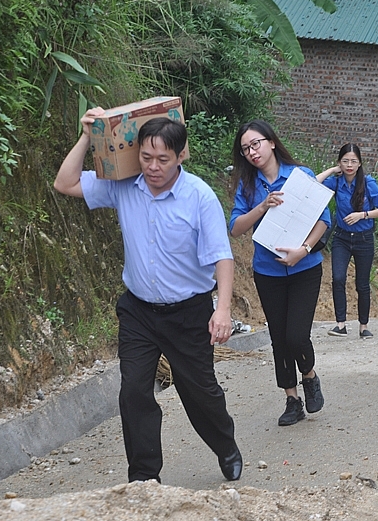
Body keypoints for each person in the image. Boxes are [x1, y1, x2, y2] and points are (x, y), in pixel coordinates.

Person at [54, 109, 242, 483]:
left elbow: (222, 257)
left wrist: (222, 309)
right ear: (136, 154)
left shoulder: (199, 197)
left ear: (181, 156)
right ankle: (144, 478)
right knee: (134, 391)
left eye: (162, 159)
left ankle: (225, 446)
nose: (153, 167)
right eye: (146, 157)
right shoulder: (123, 185)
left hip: (188, 314)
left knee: (199, 393)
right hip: (139, 312)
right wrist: (87, 137)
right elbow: (65, 183)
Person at [229, 120, 329, 427]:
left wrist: (305, 249)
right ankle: (291, 399)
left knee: (296, 335)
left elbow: (323, 219)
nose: (252, 152)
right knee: (278, 337)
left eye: (256, 144)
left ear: (271, 142)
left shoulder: (301, 176)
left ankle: (309, 376)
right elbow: (235, 228)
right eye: (246, 149)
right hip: (268, 271)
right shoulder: (247, 186)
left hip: (305, 268)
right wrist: (261, 207)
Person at [317, 144, 378, 339]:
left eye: (353, 161)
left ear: (360, 163)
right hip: (341, 237)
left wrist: (362, 215)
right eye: (345, 161)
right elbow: (313, 184)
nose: (349, 165)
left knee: (362, 284)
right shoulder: (336, 181)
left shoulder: (368, 183)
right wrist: (333, 170)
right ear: (340, 162)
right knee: (338, 278)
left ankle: (363, 326)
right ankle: (340, 324)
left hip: (364, 239)